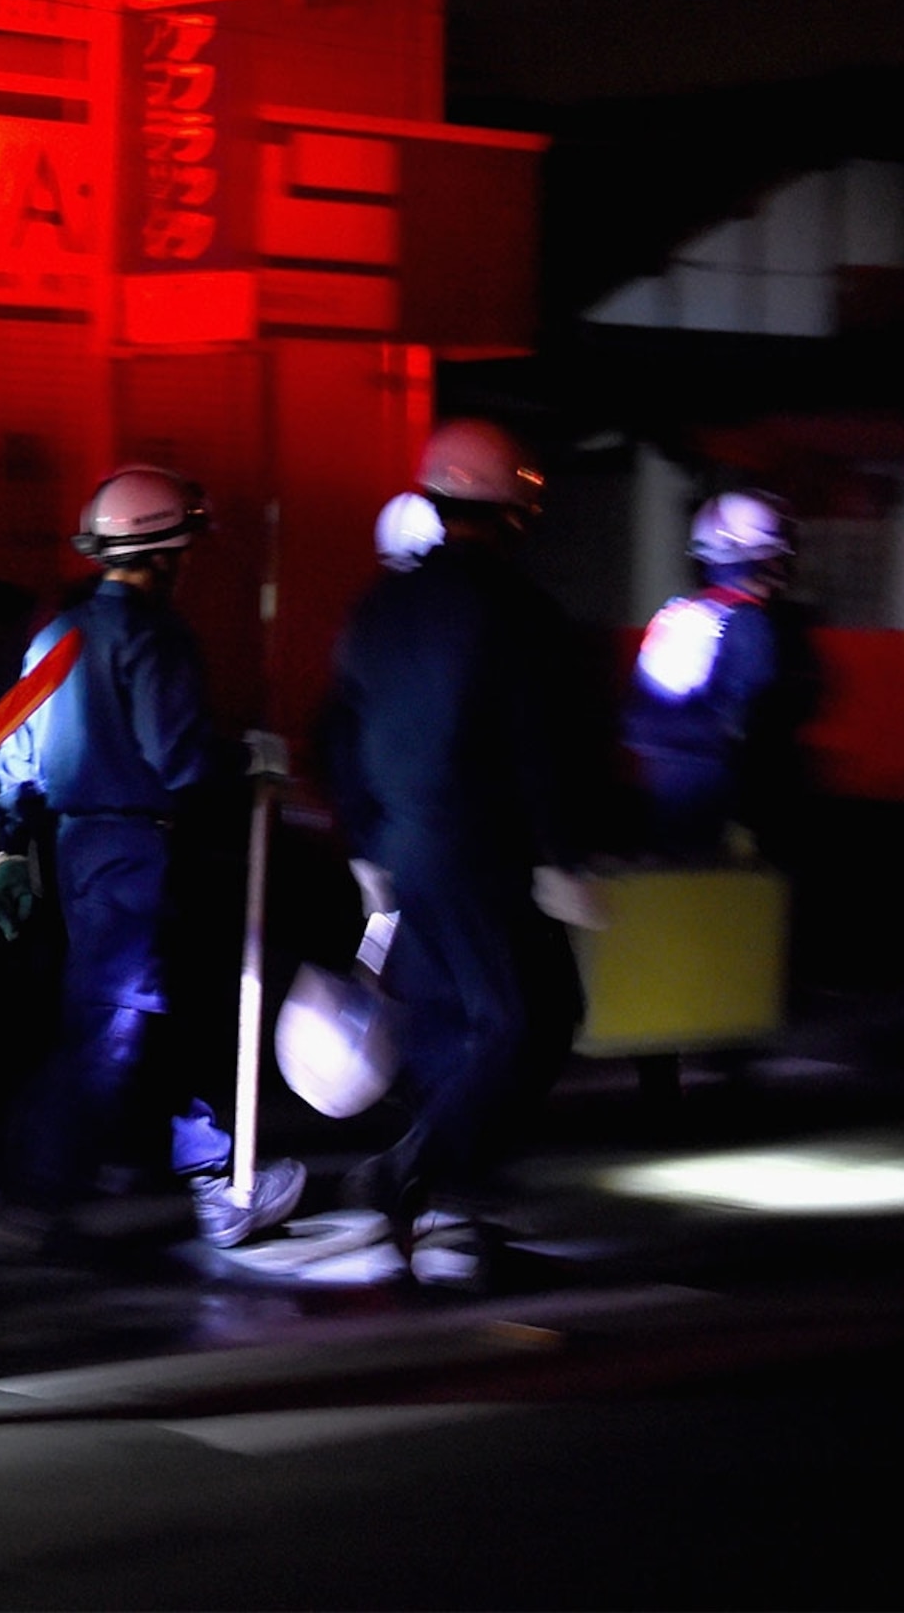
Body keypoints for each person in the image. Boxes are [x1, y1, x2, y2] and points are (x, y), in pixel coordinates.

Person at [0, 467, 306, 1254]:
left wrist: (8, 852)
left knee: (148, 1016)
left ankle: (213, 1171)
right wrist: (249, 762)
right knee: (113, 1025)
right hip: (138, 848)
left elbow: (13, 760)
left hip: (74, 848)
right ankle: (41, 1188)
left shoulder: (54, 637)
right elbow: (181, 758)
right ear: (163, 555)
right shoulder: (155, 637)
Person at [317, 418, 605, 1288]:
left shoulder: (379, 605)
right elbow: (541, 748)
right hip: (484, 850)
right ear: (513, 512)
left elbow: (339, 729)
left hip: (401, 849)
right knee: (530, 1019)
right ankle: (415, 1177)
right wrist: (561, 857)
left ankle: (453, 1209)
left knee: (447, 1027)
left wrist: (366, 844)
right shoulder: (522, 614)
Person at [622, 490, 822, 864]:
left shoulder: (676, 613)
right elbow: (751, 718)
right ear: (766, 558)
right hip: (717, 783)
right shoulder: (749, 623)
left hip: (661, 778)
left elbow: (641, 708)